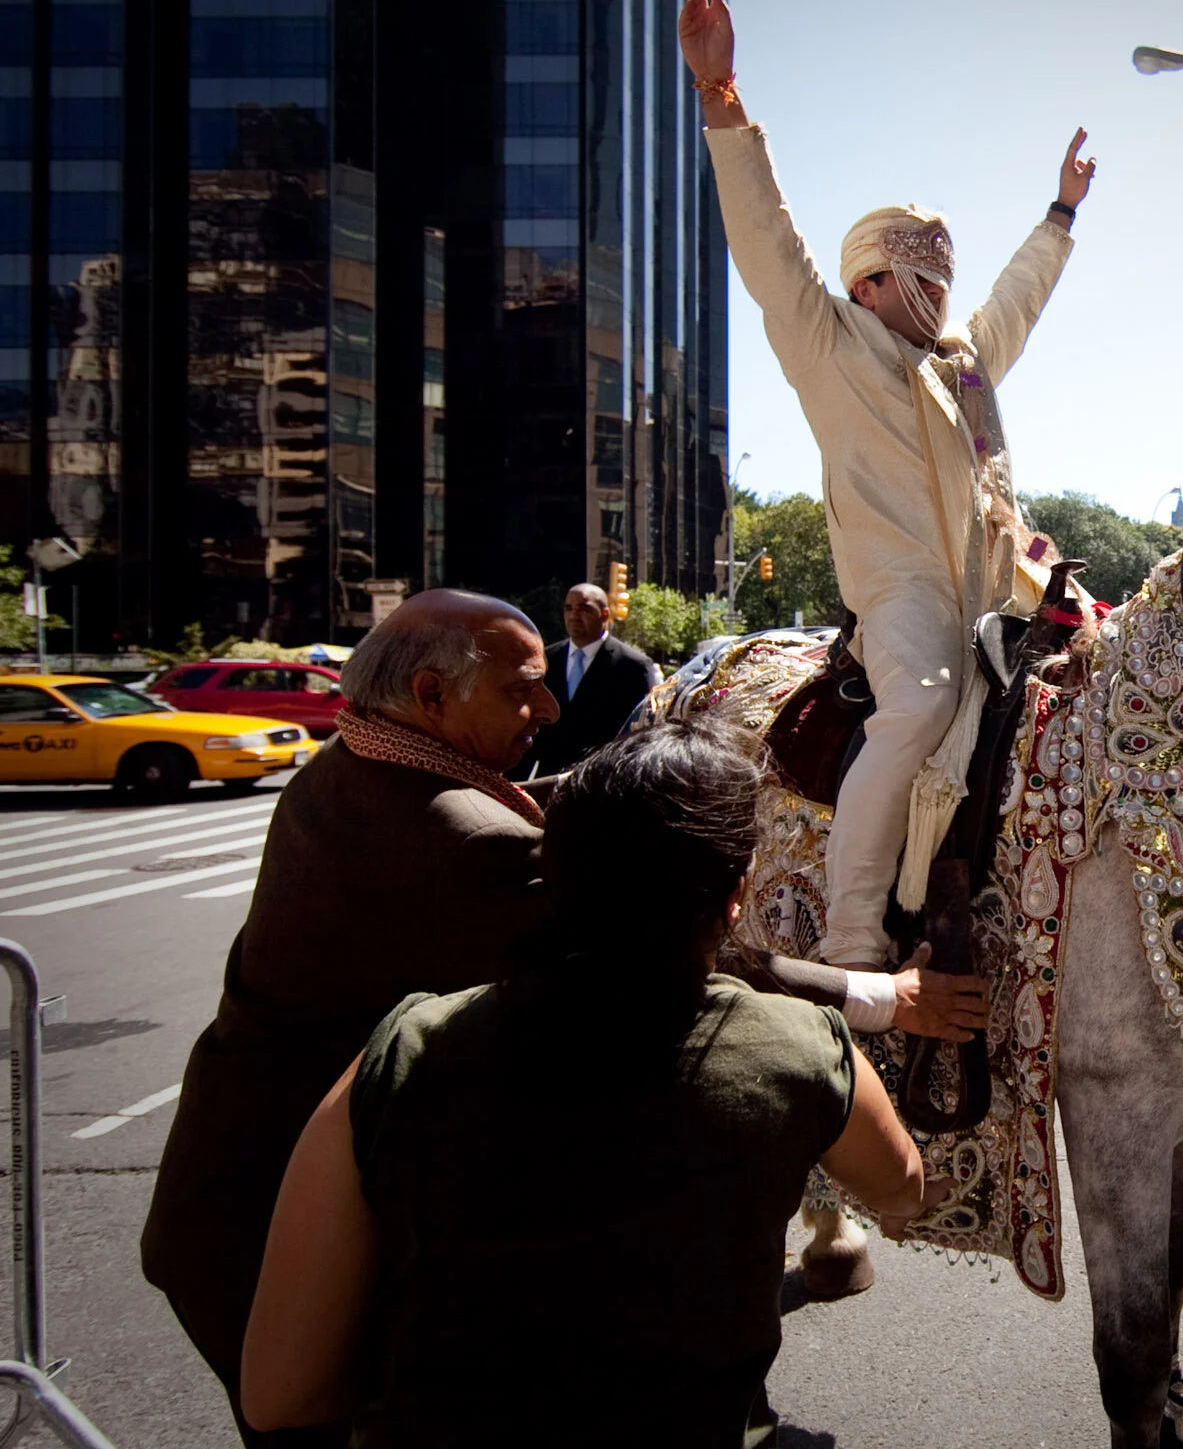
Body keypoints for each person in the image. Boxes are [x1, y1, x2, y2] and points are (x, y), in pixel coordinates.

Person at [239, 722, 927, 1448]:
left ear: (556, 870)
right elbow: (902, 1186)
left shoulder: (406, 1048)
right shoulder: (802, 1047)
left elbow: (281, 1392)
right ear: (736, 894)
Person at [678, 0, 1092, 970]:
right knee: (919, 704)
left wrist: (1060, 216)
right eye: (920, 275)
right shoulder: (827, 341)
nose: (941, 296)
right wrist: (720, 98)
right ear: (870, 280)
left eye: (944, 278)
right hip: (902, 594)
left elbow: (1016, 303)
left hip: (1002, 581)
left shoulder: (962, 367)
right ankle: (855, 935)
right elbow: (769, 241)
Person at [142, 590, 563, 1449]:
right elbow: (658, 941)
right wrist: (875, 994)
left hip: (224, 1209)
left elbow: (487, 805)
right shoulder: (468, 845)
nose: (548, 709)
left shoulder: (353, 767)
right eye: (523, 689)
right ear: (432, 696)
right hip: (291, 1249)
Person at [514, 581, 661, 778]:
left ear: (605, 614)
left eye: (584, 609)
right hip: (548, 779)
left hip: (602, 779)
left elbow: (642, 731)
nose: (574, 615)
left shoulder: (633, 666)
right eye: (569, 608)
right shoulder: (547, 659)